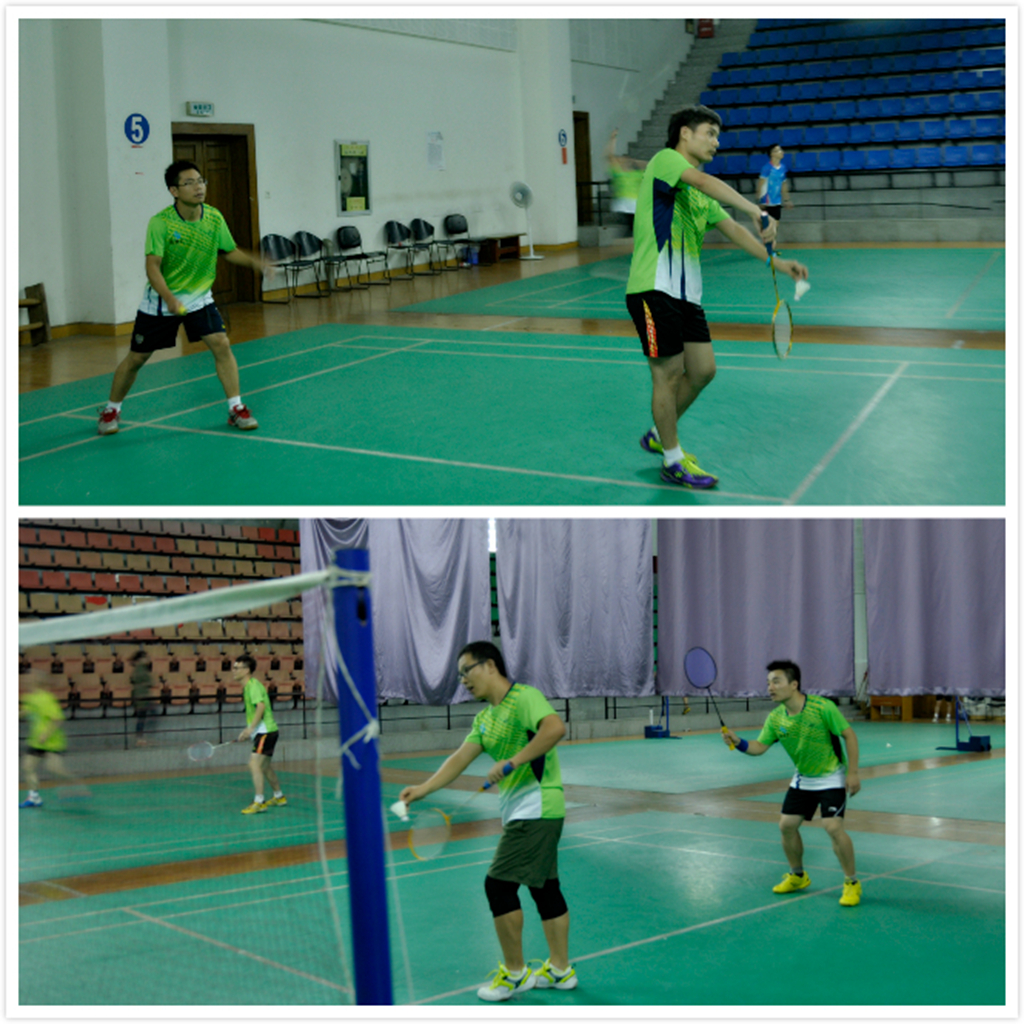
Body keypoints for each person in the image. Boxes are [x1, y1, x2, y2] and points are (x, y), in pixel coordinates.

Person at [626, 104, 809, 489]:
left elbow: (736, 232)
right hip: (654, 289)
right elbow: (707, 183)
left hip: (687, 296)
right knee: (667, 375)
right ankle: (672, 460)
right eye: (709, 133)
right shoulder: (664, 161)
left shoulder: (697, 195)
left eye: (717, 136)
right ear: (685, 133)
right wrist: (756, 209)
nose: (716, 142)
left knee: (704, 370)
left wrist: (778, 262)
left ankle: (660, 433)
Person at [399, 641, 577, 1002]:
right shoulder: (485, 719)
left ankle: (515, 974)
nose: (463, 680)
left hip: (537, 807)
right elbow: (458, 759)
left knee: (498, 886)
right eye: (459, 675)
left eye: (467, 670)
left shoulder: (524, 697)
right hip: (527, 811)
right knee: (545, 888)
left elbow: (554, 728)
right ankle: (560, 970)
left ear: (490, 665)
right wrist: (423, 789)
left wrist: (512, 761)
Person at [98, 160, 272, 436]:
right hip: (161, 303)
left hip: (200, 299)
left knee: (221, 344)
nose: (198, 187)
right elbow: (152, 266)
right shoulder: (161, 223)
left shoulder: (213, 217)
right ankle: (111, 410)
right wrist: (169, 298)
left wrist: (254, 262)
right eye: (189, 183)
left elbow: (228, 250)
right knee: (137, 358)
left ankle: (236, 408)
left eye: (201, 181)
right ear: (174, 191)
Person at [722, 660, 862, 907]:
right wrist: (738, 742)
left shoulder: (822, 707)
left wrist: (853, 773)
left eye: (776, 682)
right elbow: (759, 747)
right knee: (786, 826)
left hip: (831, 776)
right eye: (768, 683)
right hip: (803, 778)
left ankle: (851, 882)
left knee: (832, 827)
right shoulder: (776, 718)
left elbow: (849, 735)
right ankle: (798, 876)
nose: (770, 687)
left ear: (794, 684)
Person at [234, 654, 286, 814]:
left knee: (254, 764)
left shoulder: (253, 686)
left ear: (246, 670)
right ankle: (279, 796)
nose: (233, 671)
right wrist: (249, 731)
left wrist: (250, 729)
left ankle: (259, 802)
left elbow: (261, 707)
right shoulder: (249, 686)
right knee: (264, 766)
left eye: (237, 668)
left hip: (266, 731)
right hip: (266, 731)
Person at [19, 675, 81, 807]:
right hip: (36, 741)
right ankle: (34, 798)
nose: (24, 681)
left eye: (28, 679)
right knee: (27, 767)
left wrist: (45, 735)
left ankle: (75, 783)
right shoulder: (28, 698)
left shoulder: (46, 698)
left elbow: (58, 719)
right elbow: (26, 712)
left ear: (37, 681)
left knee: (54, 769)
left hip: (52, 741)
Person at [605, 129, 648, 237]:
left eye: (624, 160)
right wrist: (612, 139)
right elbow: (609, 156)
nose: (622, 162)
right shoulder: (618, 173)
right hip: (624, 203)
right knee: (631, 226)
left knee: (634, 226)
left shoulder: (637, 174)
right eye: (620, 160)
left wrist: (636, 161)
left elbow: (649, 165)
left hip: (635, 204)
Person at [756, 144, 794, 248]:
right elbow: (761, 184)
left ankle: (770, 245)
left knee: (776, 224)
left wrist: (787, 199)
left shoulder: (783, 168)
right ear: (772, 154)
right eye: (777, 150)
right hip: (766, 201)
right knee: (766, 225)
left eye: (781, 150)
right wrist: (759, 200)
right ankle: (766, 245)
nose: (781, 152)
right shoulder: (767, 168)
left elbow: (783, 184)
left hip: (777, 201)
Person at [129, 649, 155, 745]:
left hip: (142, 695)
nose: (148, 659)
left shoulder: (141, 668)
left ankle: (140, 736)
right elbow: (148, 681)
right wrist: (147, 683)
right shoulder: (140, 669)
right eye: (146, 657)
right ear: (141, 659)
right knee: (142, 717)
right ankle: (139, 737)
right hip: (142, 696)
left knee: (143, 717)